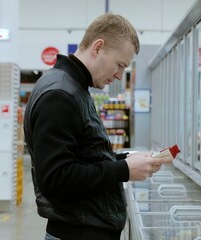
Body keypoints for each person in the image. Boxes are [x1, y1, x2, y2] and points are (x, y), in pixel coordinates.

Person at [23, 13, 174, 240]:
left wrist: (126, 159)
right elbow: (56, 178)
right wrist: (124, 170)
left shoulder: (74, 88)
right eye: (119, 65)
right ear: (98, 47)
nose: (119, 75)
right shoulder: (60, 95)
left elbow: (83, 156)